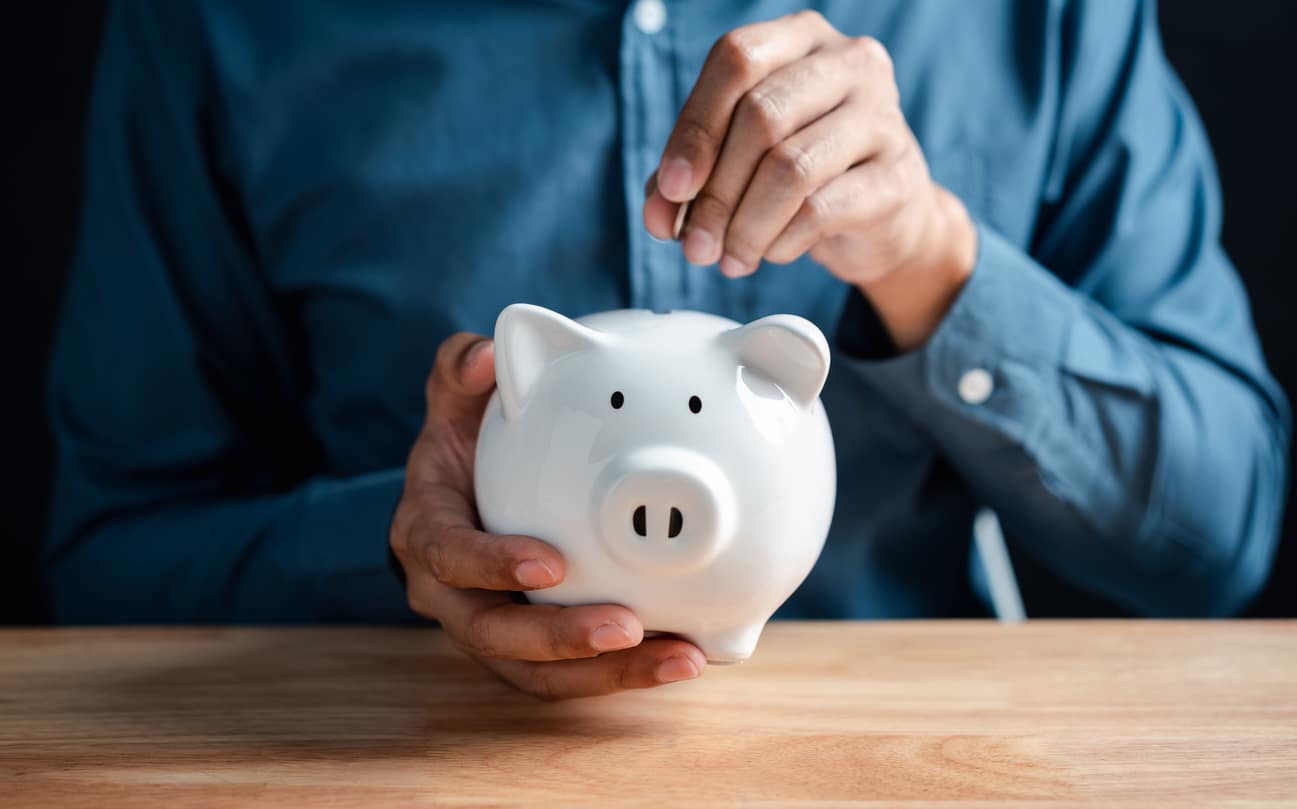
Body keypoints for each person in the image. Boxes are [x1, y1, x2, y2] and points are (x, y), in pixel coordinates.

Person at [45, 1, 1289, 699]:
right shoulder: (220, 30)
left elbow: (1220, 536)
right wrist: (407, 545)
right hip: (413, 758)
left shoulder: (1044, 21)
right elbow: (108, 560)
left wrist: (925, 253)